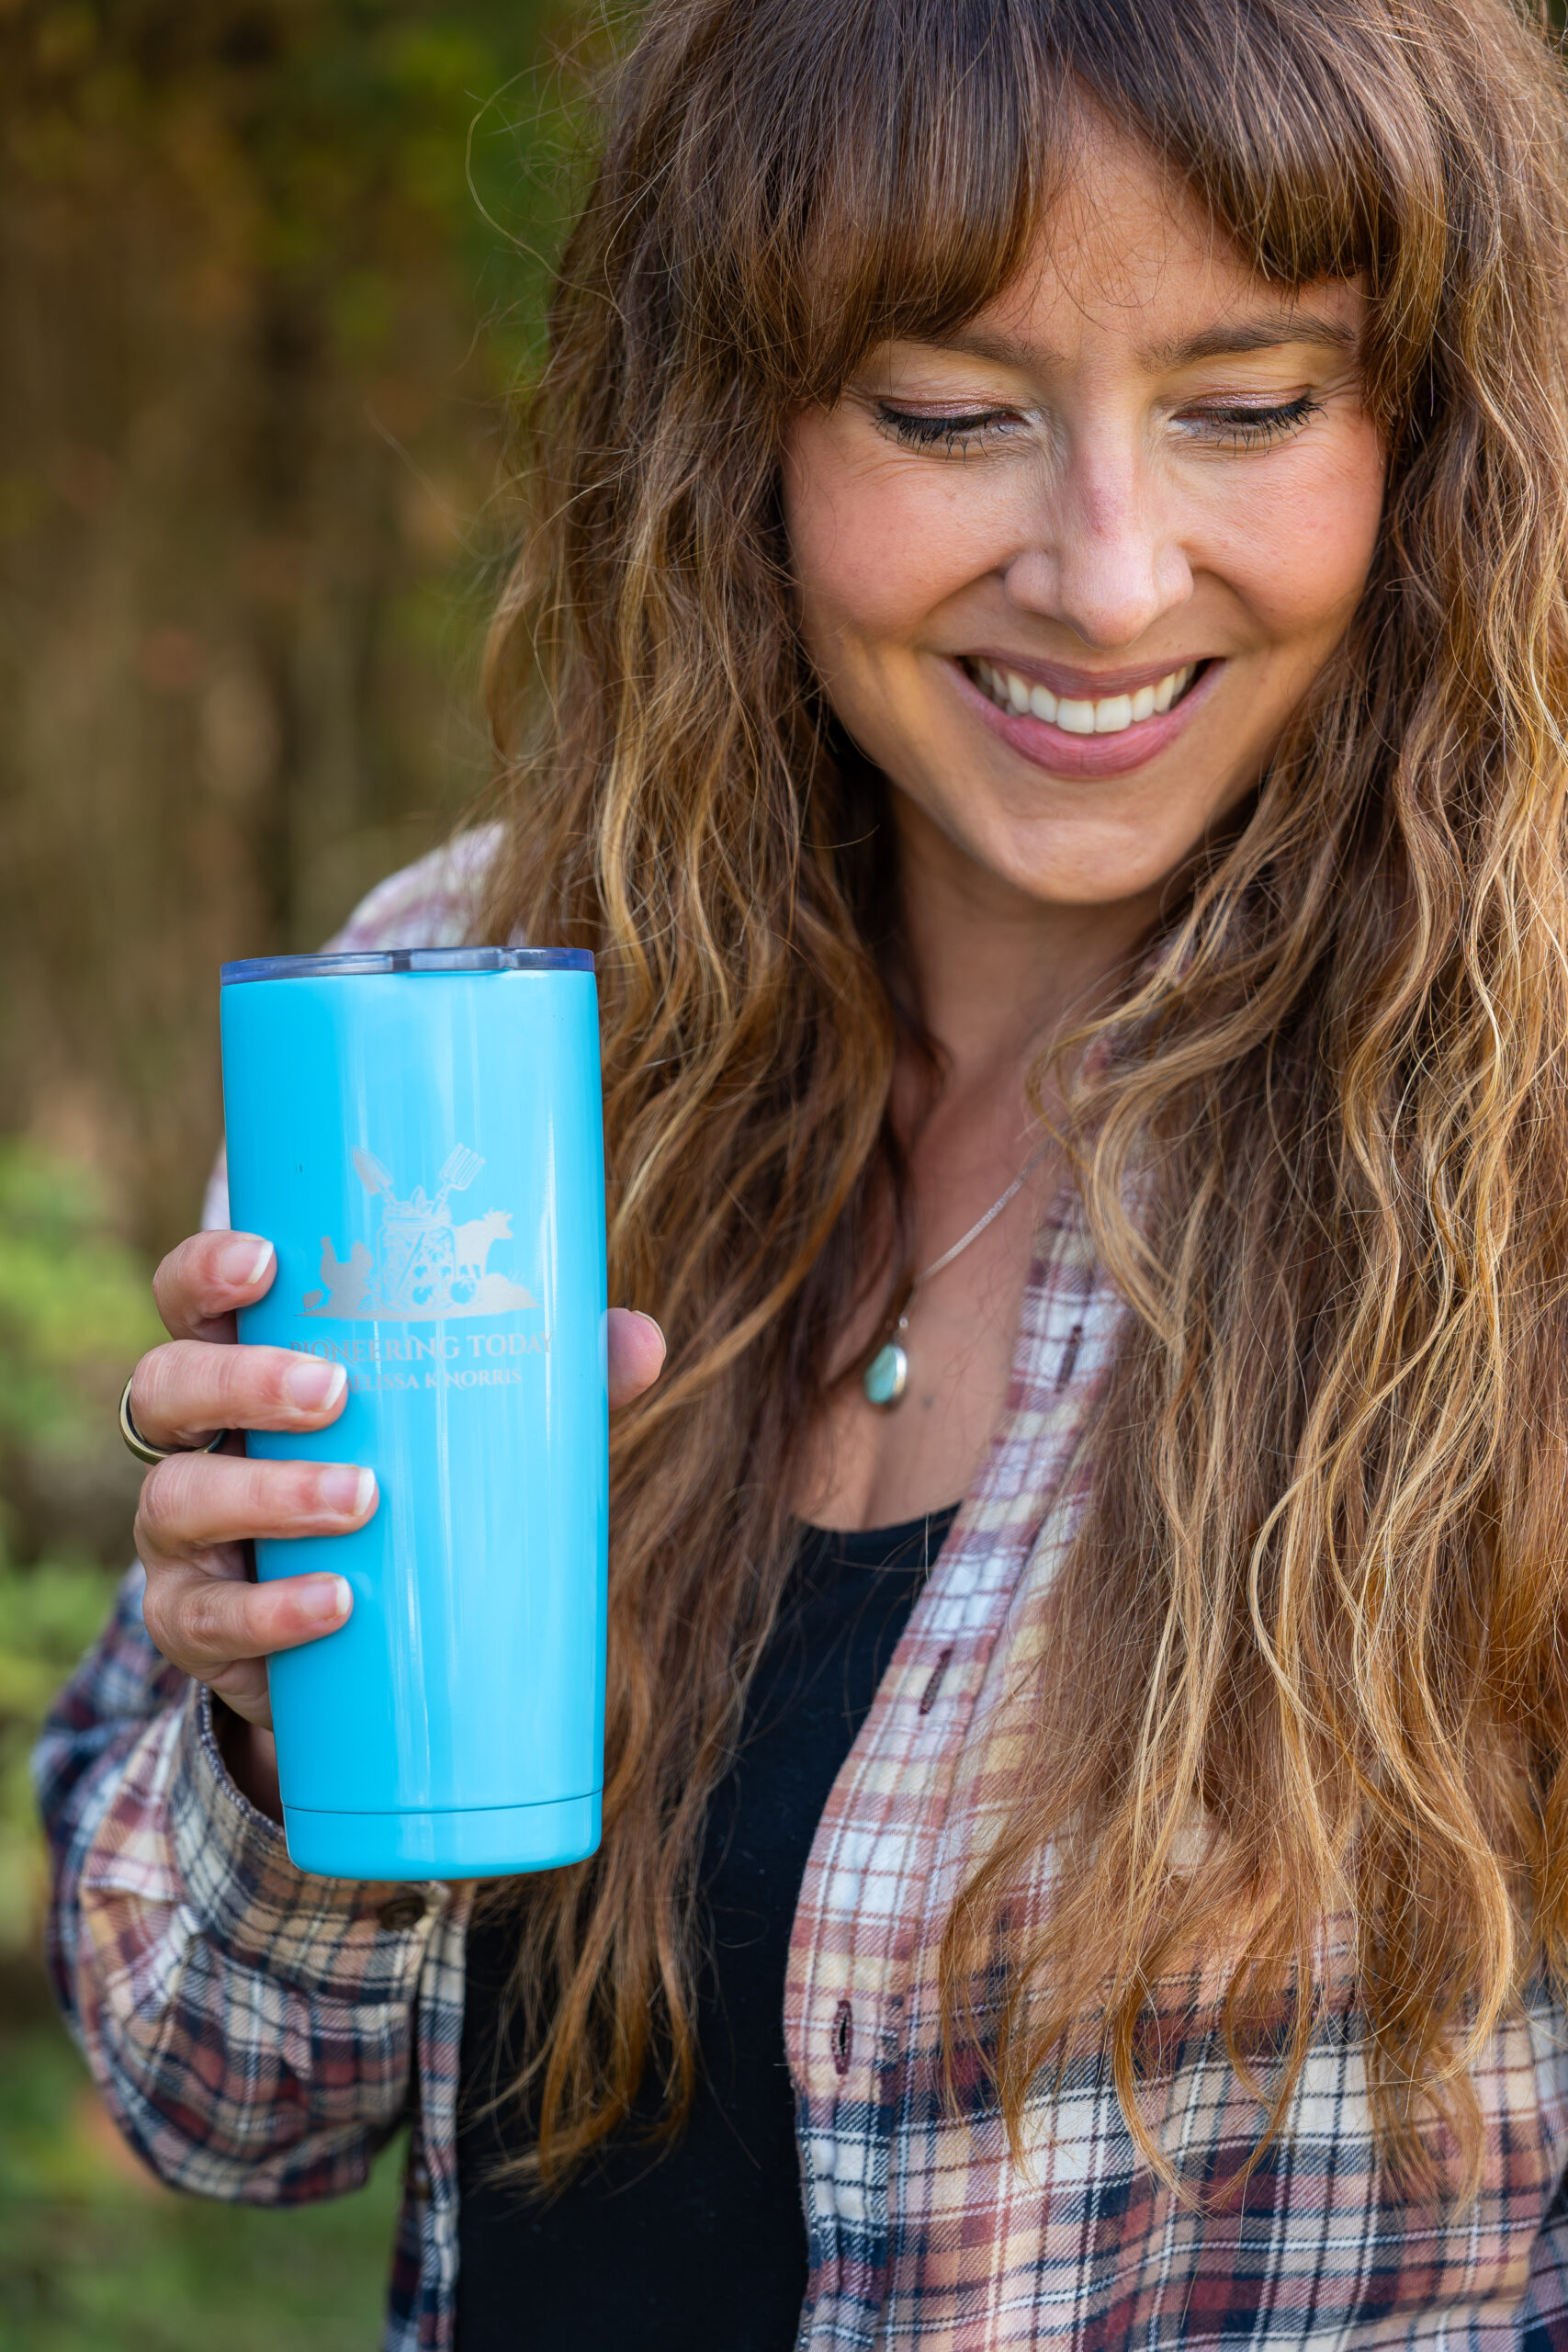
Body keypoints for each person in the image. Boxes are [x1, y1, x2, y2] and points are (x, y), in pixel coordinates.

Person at [35, 0, 1568, 2344]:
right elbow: (219, 2092)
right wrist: (263, 1715)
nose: (1107, 571)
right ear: (730, 428)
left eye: (1249, 407)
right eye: (947, 415)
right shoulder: (454, 1027)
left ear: (1429, 433)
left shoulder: (1521, 1162)